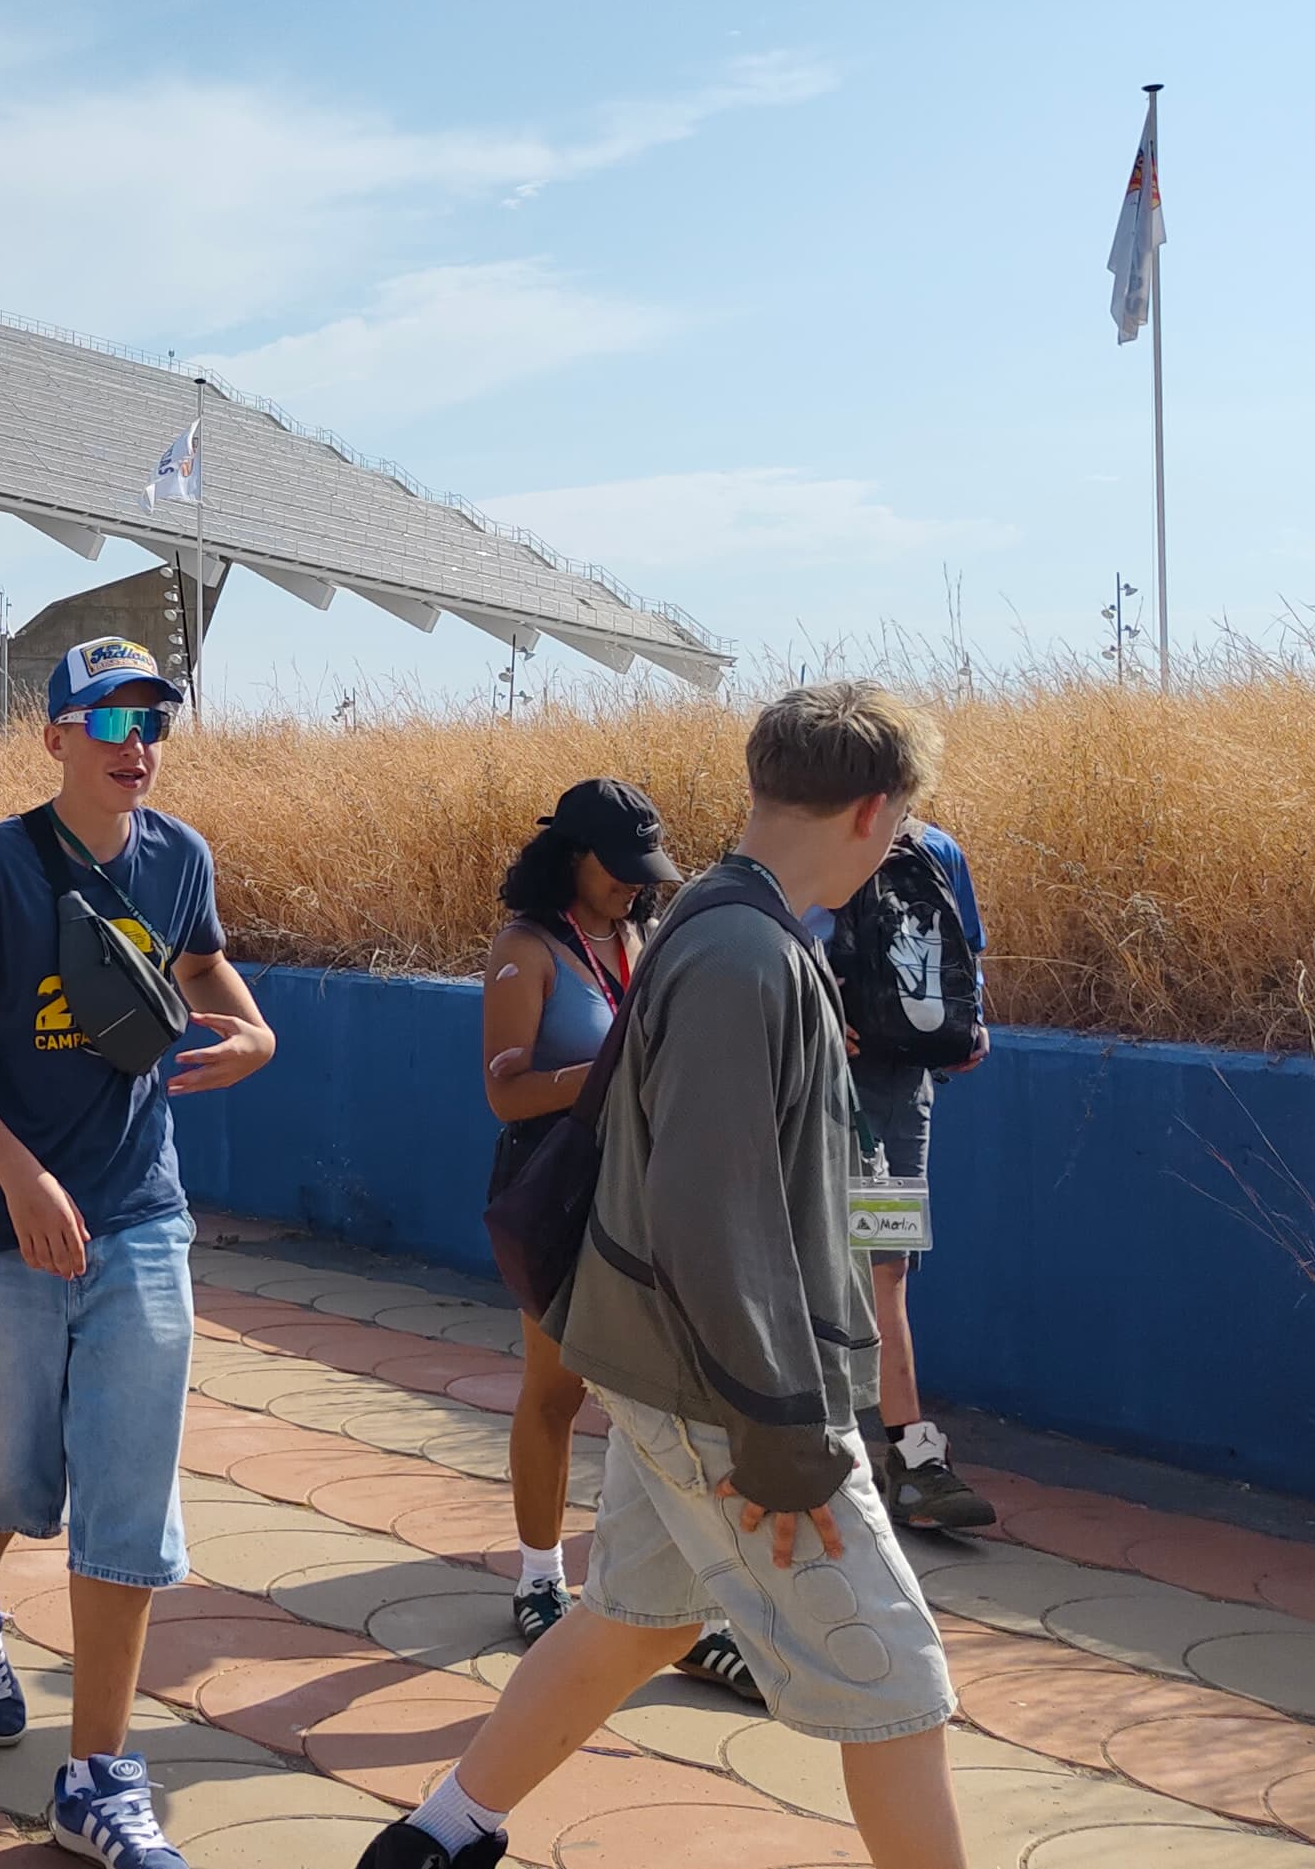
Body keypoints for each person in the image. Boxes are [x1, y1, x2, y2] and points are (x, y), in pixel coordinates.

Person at [368, 682, 961, 1869]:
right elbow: (712, 1215)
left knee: (637, 1616)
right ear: (874, 810)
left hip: (673, 1372)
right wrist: (782, 1429)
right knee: (897, 1677)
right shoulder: (746, 954)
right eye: (898, 827)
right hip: (731, 1397)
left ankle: (440, 1835)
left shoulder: (718, 921)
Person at [0, 637, 275, 1869]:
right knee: (1, 1482)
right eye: (109, 720)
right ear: (55, 736)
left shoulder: (180, 857)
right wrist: (21, 1175)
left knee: (129, 1496)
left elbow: (206, 958)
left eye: (153, 719)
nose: (137, 742)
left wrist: (255, 1033)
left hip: (138, 1217)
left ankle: (99, 1776)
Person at [476, 781, 757, 1701]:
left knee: (663, 1402)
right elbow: (506, 1093)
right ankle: (538, 1580)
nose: (636, 889)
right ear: (573, 857)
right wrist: (605, 1072)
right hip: (559, 1192)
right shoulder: (526, 949)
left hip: (644, 1196)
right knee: (555, 1391)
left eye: (647, 875)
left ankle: (683, 1611)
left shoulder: (636, 939)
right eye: (619, 871)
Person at [829, 814, 999, 1532]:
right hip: (832, 1091)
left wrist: (966, 1021)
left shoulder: (926, 849)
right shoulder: (928, 844)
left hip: (884, 1092)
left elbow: (965, 954)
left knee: (884, 1265)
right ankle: (897, 1455)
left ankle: (907, 1453)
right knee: (847, 1265)